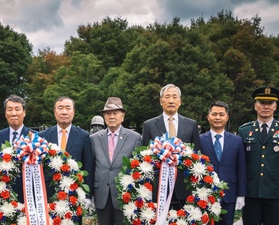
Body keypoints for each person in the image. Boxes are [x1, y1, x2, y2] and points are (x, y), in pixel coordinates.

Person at [142, 83, 200, 210]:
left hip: (183, 186)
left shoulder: (191, 124)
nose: (171, 100)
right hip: (158, 187)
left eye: (175, 97)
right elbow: (144, 156)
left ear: (180, 101)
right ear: (160, 101)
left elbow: (197, 155)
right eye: (167, 97)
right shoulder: (149, 125)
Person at [39, 96, 94, 224]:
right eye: (60, 108)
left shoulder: (84, 136)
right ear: (54, 112)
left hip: (74, 195)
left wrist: (87, 196)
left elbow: (88, 167)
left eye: (68, 108)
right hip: (49, 194)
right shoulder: (43, 136)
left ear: (73, 112)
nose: (64, 112)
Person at [91, 97, 141, 225]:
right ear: (104, 117)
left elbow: (138, 167)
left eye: (115, 113)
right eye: (108, 113)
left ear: (122, 116)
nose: (111, 116)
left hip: (124, 195)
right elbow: (91, 166)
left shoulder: (135, 138)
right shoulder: (94, 138)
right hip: (101, 194)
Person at [200, 101, 246, 225]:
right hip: (206, 194)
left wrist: (241, 195)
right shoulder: (200, 140)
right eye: (214, 114)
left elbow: (241, 168)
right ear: (208, 117)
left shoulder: (237, 140)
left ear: (227, 118)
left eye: (221, 114)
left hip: (229, 194)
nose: (217, 117)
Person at [238, 86, 279, 225]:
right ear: (256, 106)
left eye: (270, 103)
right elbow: (241, 162)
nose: (265, 106)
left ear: (275, 106)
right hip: (251, 193)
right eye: (262, 103)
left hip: (275, 193)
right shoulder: (244, 130)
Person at [0, 94, 35, 203]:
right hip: (3, 193)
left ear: (24, 112)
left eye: (17, 109)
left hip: (29, 194)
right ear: (5, 113)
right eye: (10, 110)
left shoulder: (35, 137)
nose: (13, 113)